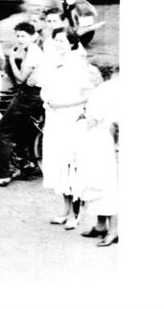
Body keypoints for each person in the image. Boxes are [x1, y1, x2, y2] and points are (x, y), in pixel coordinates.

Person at [40, 26, 94, 229]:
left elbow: (88, 94)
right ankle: (65, 210)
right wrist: (48, 101)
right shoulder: (53, 63)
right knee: (58, 163)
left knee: (72, 164)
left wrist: (62, 104)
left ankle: (76, 214)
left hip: (71, 119)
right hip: (54, 118)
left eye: (62, 40)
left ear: (72, 43)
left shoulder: (78, 64)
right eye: (56, 40)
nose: (58, 44)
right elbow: (45, 88)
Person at [0, 22, 46, 187]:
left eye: (23, 36)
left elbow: (20, 79)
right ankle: (22, 165)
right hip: (29, 94)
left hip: (29, 96)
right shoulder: (31, 50)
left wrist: (10, 59)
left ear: (33, 37)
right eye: (17, 36)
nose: (20, 39)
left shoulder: (34, 53)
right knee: (19, 132)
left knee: (1, 133)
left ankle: (0, 175)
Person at [74, 61, 119, 246]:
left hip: (99, 140)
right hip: (95, 140)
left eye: (92, 72)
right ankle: (100, 225)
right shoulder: (100, 89)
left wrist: (77, 128)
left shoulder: (104, 92)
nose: (89, 76)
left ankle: (114, 230)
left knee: (105, 184)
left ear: (103, 74)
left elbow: (94, 119)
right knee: (94, 183)